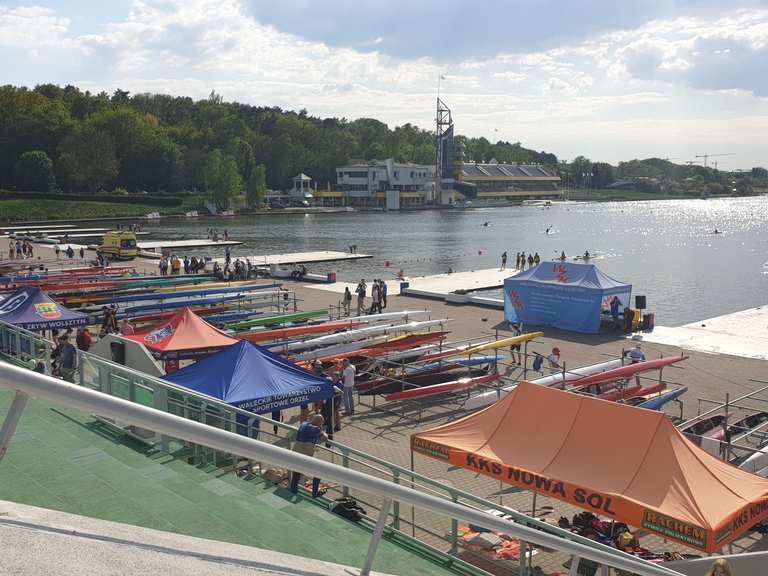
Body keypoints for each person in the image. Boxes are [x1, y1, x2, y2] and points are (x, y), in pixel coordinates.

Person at [289, 414, 327, 498]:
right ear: (319, 423)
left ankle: (293, 490)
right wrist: (322, 431)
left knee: (296, 473)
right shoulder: (316, 429)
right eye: (322, 424)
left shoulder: (303, 424)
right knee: (318, 472)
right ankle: (314, 493)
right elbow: (324, 438)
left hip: (295, 453)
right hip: (305, 457)